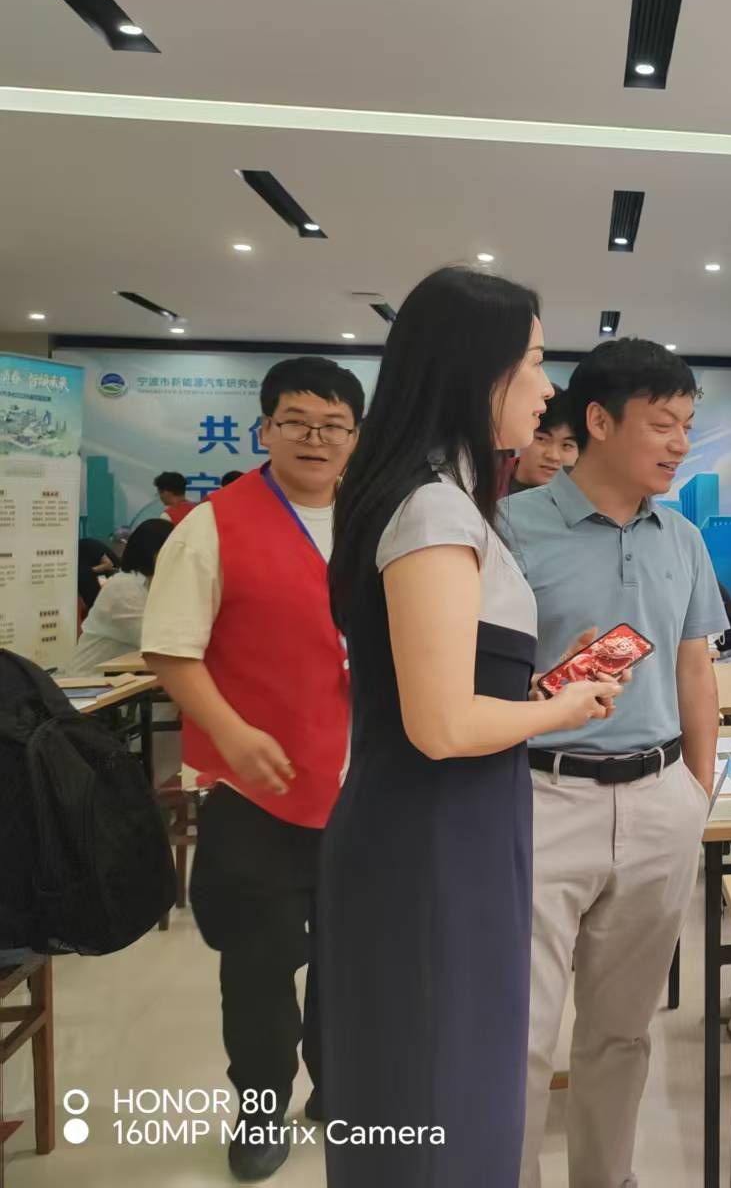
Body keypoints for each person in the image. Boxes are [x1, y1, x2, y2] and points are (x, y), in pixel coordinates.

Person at [321, 268, 621, 1188]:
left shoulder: (440, 498)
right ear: (476, 369)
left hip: (454, 826)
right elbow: (443, 722)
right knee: (436, 1081)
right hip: (432, 838)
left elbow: (453, 681)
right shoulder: (432, 507)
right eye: (533, 362)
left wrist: (541, 682)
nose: (546, 388)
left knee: (447, 1070)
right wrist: (565, 705)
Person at [504, 336, 725, 1188]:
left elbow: (694, 667)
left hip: (658, 797)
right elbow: (472, 679)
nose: (680, 444)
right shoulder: (510, 530)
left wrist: (694, 792)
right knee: (521, 1033)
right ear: (597, 421)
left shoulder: (683, 538)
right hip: (539, 795)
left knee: (623, 1030)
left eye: (688, 426)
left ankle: (607, 1176)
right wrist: (546, 687)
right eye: (662, 424)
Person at [141, 356, 365, 1180]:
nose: (315, 438)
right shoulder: (213, 525)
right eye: (296, 421)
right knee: (261, 968)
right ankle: (261, 1106)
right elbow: (171, 649)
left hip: (362, 793)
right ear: (264, 428)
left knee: (352, 958)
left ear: (356, 438)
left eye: (334, 425)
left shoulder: (375, 520)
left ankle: (338, 1085)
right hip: (256, 795)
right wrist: (230, 733)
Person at [62, 520, 172, 676]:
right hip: (88, 682)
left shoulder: (149, 585)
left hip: (121, 681)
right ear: (154, 553)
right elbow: (157, 641)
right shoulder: (125, 588)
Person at [508, 385, 578, 493]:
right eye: (542, 439)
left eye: (567, 445)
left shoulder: (590, 498)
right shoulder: (484, 480)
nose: (553, 456)